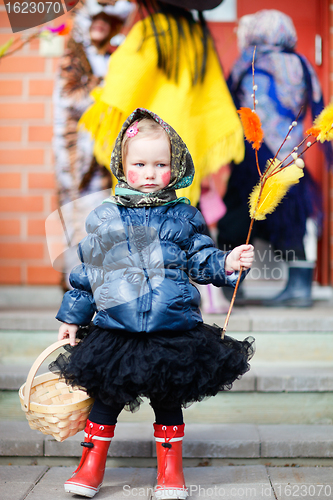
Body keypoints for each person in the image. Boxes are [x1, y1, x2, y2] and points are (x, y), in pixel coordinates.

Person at [51, 108, 255, 499]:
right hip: (116, 328)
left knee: (167, 398)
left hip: (170, 327)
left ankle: (170, 472)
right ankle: (90, 465)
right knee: (107, 397)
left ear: (174, 167)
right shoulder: (105, 217)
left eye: (160, 164)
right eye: (139, 164)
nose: (148, 173)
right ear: (122, 166)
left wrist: (227, 263)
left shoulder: (184, 217)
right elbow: (88, 273)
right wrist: (72, 317)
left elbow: (201, 260)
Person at [78, 0, 245, 208]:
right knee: (181, 226)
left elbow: (120, 85)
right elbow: (212, 99)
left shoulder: (149, 30)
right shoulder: (197, 34)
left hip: (146, 151)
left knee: (144, 228)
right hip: (183, 148)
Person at [217, 9, 324, 307]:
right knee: (291, 221)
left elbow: (227, 102)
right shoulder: (302, 64)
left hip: (254, 155)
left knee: (237, 219)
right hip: (289, 156)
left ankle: (230, 286)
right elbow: (314, 106)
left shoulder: (249, 61)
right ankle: (300, 289)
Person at [53, 0, 133, 290]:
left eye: (105, 21)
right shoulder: (74, 56)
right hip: (76, 152)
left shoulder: (116, 55)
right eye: (94, 20)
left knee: (102, 211)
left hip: (104, 148)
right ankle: (74, 280)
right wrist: (102, 87)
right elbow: (67, 97)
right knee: (76, 209)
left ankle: (98, 277)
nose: (99, 25)